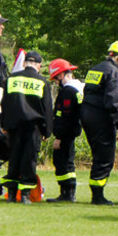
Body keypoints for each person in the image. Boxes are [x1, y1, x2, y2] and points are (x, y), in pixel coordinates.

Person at [82, 41, 118, 204]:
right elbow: (113, 101)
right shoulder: (114, 72)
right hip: (102, 118)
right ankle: (97, 195)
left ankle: (96, 193)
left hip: (87, 115)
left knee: (98, 155)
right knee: (105, 157)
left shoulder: (95, 69)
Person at [1, 51, 53, 203]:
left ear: (24, 63)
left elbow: (4, 104)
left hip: (13, 126)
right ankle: (24, 195)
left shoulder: (11, 79)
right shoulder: (42, 82)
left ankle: (11, 193)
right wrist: (47, 131)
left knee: (14, 159)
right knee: (29, 160)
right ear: (39, 65)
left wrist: (4, 124)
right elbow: (47, 109)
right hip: (33, 127)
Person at [46, 58, 82, 202]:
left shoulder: (68, 91)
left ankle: (67, 193)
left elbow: (64, 115)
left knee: (62, 162)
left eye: (55, 79)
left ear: (61, 76)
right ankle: (68, 192)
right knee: (67, 161)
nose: (55, 82)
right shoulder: (77, 89)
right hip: (71, 132)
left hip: (66, 134)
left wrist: (59, 137)